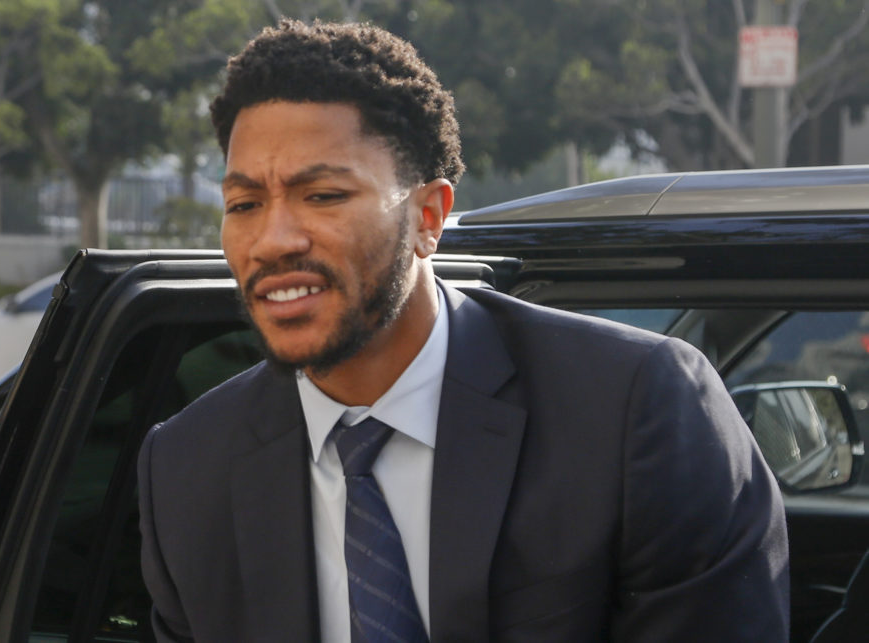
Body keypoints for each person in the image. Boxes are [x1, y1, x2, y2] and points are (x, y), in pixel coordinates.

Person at [138, 19, 789, 642]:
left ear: (429, 216)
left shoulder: (633, 412)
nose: (273, 240)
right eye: (244, 205)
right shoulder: (187, 469)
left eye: (324, 195)